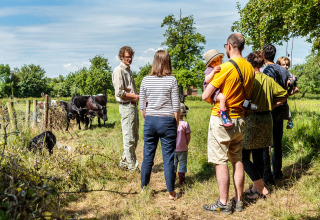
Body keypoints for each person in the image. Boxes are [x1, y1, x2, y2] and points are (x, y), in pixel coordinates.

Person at [202, 33, 255, 214]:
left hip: (222, 119)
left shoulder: (225, 67)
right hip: (240, 119)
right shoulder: (249, 67)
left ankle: (223, 203)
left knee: (220, 161)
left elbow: (205, 95)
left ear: (230, 46)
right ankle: (239, 201)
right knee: (237, 159)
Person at [243, 51, 288, 200]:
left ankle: (260, 188)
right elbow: (284, 94)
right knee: (259, 155)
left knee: (242, 156)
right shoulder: (267, 79)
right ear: (261, 64)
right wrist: (273, 105)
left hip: (251, 119)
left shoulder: (248, 79)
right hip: (267, 118)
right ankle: (256, 190)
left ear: (250, 63)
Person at [139, 49, 180, 200]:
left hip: (150, 120)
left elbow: (142, 106)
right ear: (168, 61)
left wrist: (148, 119)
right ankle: (171, 192)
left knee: (148, 156)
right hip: (167, 120)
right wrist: (175, 124)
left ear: (154, 62)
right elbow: (176, 106)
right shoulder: (172, 80)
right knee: (168, 157)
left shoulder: (145, 80)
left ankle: (144, 189)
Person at [262, 44, 290, 186]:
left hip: (271, 108)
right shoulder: (284, 70)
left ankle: (267, 175)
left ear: (263, 55)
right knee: (277, 142)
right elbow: (287, 87)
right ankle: (277, 172)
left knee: (266, 143)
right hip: (282, 107)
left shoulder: (267, 70)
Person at [112, 46, 139, 172]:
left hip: (132, 106)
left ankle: (124, 162)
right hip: (126, 106)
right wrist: (136, 97)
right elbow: (120, 92)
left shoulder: (128, 70)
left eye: (131, 57)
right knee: (129, 137)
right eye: (127, 57)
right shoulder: (119, 71)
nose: (129, 59)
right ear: (121, 57)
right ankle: (131, 166)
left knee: (134, 136)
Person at [203, 49, 233, 127]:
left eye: (218, 60)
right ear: (209, 64)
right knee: (222, 98)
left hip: (217, 89)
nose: (216, 63)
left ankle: (222, 111)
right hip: (212, 91)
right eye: (214, 62)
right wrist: (213, 72)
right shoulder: (209, 70)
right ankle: (224, 118)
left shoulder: (221, 68)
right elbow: (207, 80)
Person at [276, 56, 299, 129]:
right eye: (283, 65)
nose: (286, 67)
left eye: (287, 65)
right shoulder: (276, 74)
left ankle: (289, 121)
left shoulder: (289, 74)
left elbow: (296, 88)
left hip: (283, 99)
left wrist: (288, 93)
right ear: (278, 65)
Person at [174, 103, 191, 185]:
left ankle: (172, 179)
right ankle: (182, 180)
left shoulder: (173, 123)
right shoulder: (185, 124)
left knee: (173, 164)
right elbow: (188, 137)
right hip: (183, 148)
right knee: (182, 164)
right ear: (184, 114)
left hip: (173, 148)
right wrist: (186, 144)